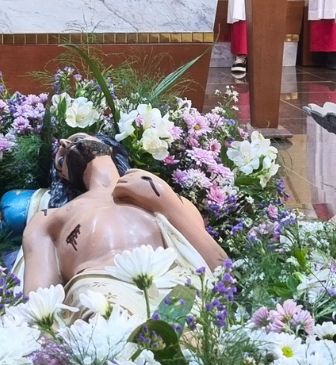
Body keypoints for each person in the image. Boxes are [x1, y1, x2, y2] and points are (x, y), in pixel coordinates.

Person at [20, 134, 226, 323]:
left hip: (174, 287)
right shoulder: (49, 219)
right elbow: (39, 308)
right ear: (63, 175)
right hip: (98, 294)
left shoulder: (164, 196)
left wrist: (166, 202)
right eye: (61, 160)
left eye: (77, 138)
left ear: (109, 148)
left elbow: (222, 271)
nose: (64, 144)